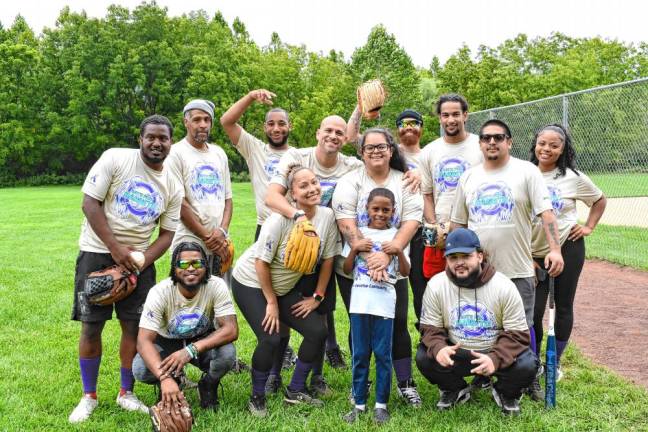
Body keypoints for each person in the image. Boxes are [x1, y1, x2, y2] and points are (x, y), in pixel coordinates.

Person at [69, 115, 183, 423]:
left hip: (138, 262)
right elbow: (89, 204)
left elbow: (168, 234)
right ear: (140, 139)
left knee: (134, 327)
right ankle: (88, 396)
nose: (157, 143)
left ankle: (126, 392)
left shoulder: (172, 184)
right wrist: (117, 251)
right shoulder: (116, 159)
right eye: (151, 137)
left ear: (171, 143)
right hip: (97, 252)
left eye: (164, 138)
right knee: (92, 325)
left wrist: (142, 260)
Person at [450, 119, 564, 363]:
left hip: (517, 268)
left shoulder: (527, 171)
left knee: (522, 324)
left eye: (499, 137)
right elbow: (458, 223)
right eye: (486, 138)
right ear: (480, 144)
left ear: (509, 142)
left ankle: (527, 371)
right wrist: (451, 258)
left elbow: (547, 213)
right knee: (484, 322)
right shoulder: (468, 177)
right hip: (478, 269)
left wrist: (555, 250)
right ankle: (484, 371)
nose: (492, 142)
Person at [232, 166, 341, 417]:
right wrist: (271, 301)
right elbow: (261, 262)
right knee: (271, 337)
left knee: (317, 331)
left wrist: (317, 297)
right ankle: (257, 397)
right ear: (292, 194)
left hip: (283, 288)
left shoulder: (326, 217)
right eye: (303, 186)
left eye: (314, 182)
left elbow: (327, 260)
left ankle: (296, 389)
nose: (312, 188)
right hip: (252, 283)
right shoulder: (279, 220)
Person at [264, 115, 365, 381]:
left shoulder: (352, 165)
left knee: (321, 309)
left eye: (339, 133)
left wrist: (411, 171)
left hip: (328, 245)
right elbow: (271, 196)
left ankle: (316, 377)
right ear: (318, 133)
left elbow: (382, 163)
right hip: (293, 241)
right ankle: (274, 374)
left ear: (346, 138)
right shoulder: (298, 157)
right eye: (328, 130)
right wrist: (299, 218)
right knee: (285, 310)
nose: (333, 136)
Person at [332, 128, 424, 407]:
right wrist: (371, 256)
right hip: (357, 266)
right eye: (369, 147)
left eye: (381, 146)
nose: (375, 151)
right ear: (361, 152)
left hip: (393, 265)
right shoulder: (350, 180)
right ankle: (361, 384)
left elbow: (412, 220)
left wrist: (389, 255)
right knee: (358, 322)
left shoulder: (405, 181)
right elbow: (345, 218)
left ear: (391, 149)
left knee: (396, 322)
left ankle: (405, 382)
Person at [415, 228, 538, 416]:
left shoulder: (504, 286)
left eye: (466, 256)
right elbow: (429, 328)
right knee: (425, 356)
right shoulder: (436, 285)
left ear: (480, 256)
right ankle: (455, 389)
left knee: (527, 364)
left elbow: (518, 334)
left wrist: (495, 358)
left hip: (494, 351)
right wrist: (439, 348)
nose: (459, 263)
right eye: (453, 257)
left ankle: (505, 392)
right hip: (458, 352)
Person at [526, 124, 606, 398]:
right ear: (535, 144)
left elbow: (599, 200)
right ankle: (533, 362)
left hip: (567, 248)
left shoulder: (573, 177)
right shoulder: (524, 174)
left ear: (563, 150)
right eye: (542, 143)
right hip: (533, 253)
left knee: (563, 305)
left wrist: (589, 227)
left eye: (554, 145)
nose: (546, 149)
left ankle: (554, 360)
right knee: (534, 311)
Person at [133, 242, 238, 411]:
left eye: (197, 263)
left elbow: (231, 329)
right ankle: (173, 381)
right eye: (183, 264)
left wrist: (190, 350)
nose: (191, 269)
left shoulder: (216, 285)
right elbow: (143, 341)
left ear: (206, 266)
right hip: (167, 341)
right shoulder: (160, 292)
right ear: (174, 268)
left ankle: (208, 384)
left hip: (201, 339)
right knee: (141, 369)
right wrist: (164, 377)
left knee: (227, 354)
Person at [342, 188, 411, 425]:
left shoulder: (396, 236)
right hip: (360, 304)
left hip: (384, 308)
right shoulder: (360, 236)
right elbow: (346, 269)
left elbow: (405, 272)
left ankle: (381, 405)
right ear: (367, 209)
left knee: (383, 355)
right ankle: (359, 404)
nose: (380, 214)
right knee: (360, 355)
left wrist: (398, 252)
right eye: (376, 209)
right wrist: (354, 248)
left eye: (386, 210)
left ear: (393, 211)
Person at [417, 94, 483, 322]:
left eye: (456, 114)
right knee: (437, 286)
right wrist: (435, 227)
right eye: (445, 115)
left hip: (474, 227)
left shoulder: (479, 145)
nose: (451, 119)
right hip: (442, 232)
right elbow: (427, 194)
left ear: (466, 115)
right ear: (439, 118)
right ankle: (439, 340)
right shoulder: (430, 151)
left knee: (475, 287)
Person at [166, 99, 232, 276]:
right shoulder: (175, 153)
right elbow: (179, 202)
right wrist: (208, 237)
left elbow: (228, 199)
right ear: (186, 122)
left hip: (221, 241)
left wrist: (222, 231)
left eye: (206, 120)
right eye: (196, 120)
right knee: (188, 297)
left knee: (219, 296)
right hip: (189, 240)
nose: (202, 125)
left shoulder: (219, 153)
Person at [220, 89, 293, 240]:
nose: (276, 129)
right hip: (264, 227)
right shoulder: (255, 149)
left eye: (281, 124)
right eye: (271, 124)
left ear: (289, 126)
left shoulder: (300, 156)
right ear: (264, 127)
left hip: (292, 227)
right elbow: (226, 121)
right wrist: (250, 97)